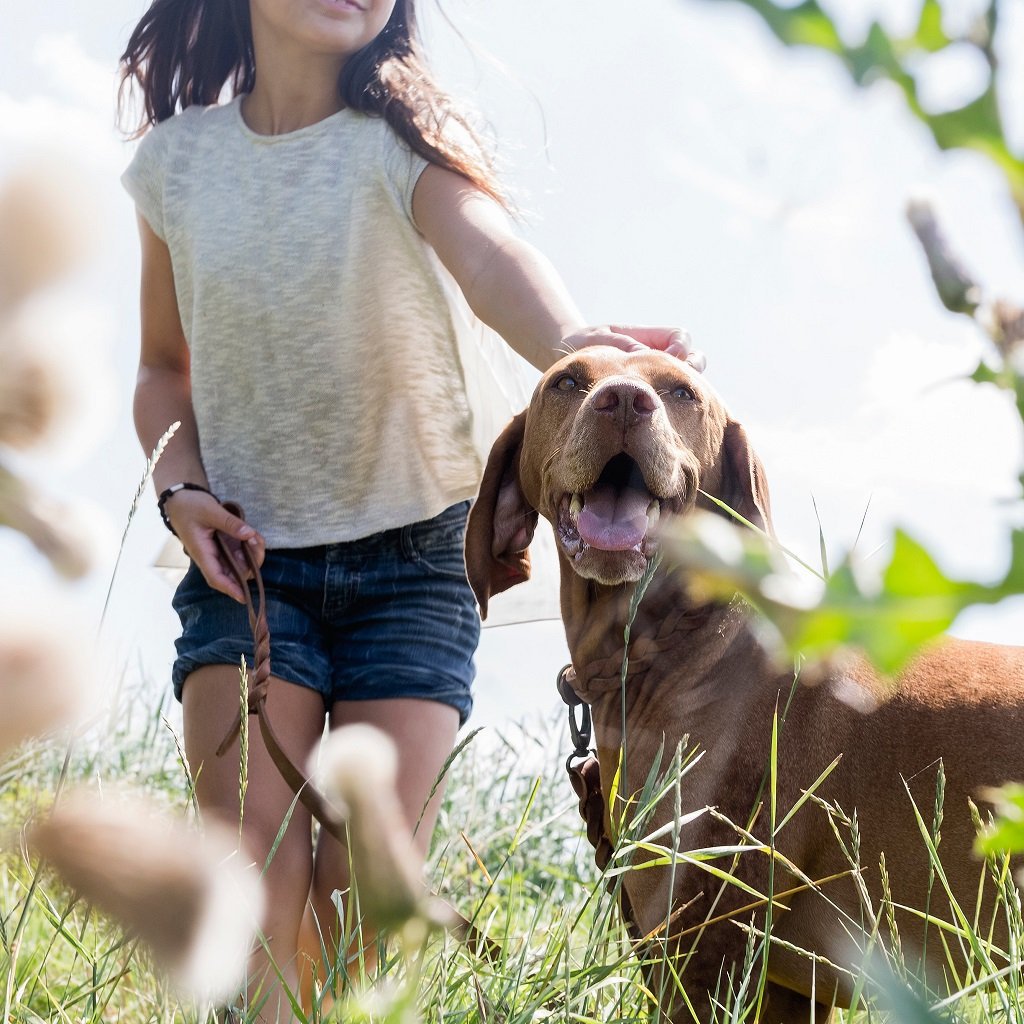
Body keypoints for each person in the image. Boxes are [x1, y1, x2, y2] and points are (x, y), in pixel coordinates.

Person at [118, 0, 698, 1018]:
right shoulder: (176, 164)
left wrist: (582, 343)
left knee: (367, 895)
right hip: (246, 564)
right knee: (252, 884)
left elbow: (489, 262)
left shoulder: (407, 140)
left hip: (414, 566)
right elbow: (164, 372)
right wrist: (180, 494)